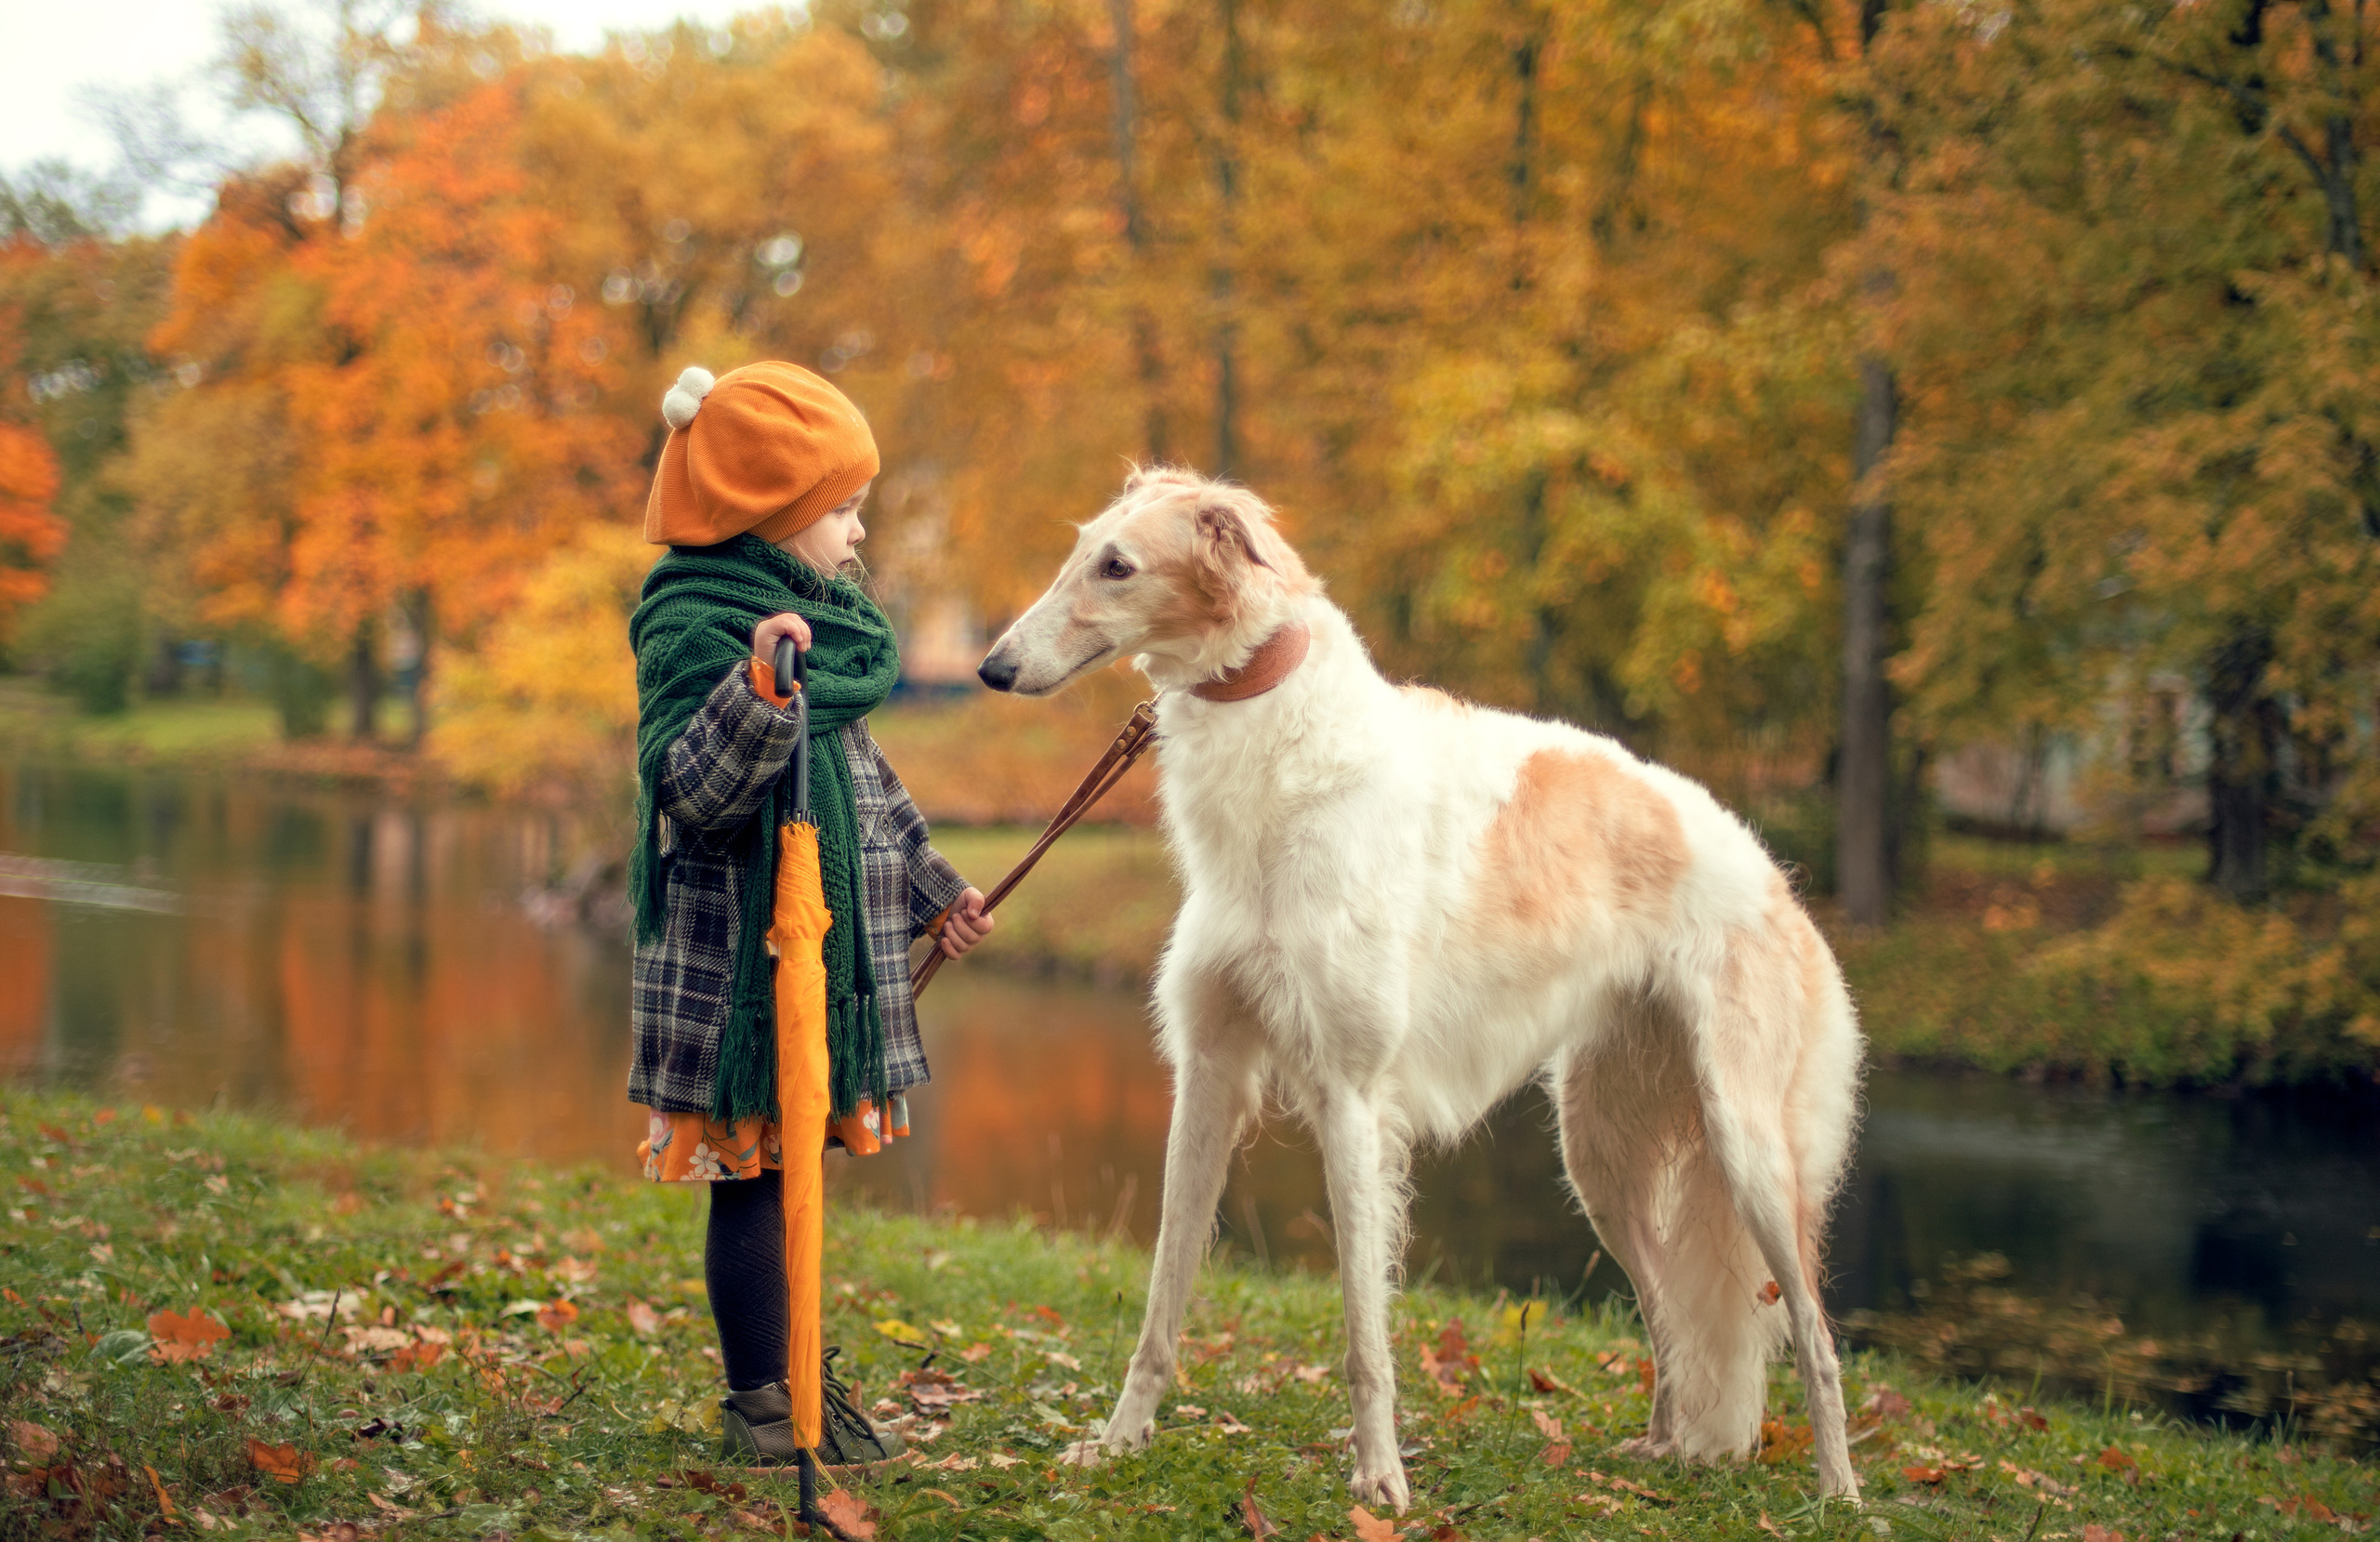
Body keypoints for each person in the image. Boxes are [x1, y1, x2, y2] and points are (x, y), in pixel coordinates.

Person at [625, 361, 993, 1466]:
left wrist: (937, 895)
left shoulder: (834, 631)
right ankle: (764, 1407)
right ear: (770, 517)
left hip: (821, 957)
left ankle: (795, 1375)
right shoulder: (693, 625)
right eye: (839, 507)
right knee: (756, 1182)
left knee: (800, 1178)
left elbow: (865, 788)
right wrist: (757, 691)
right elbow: (692, 790)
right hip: (741, 966)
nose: (859, 526)